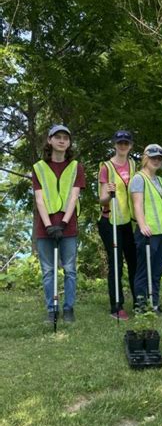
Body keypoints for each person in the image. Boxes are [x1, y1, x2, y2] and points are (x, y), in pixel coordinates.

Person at [33, 124, 85, 323]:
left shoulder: (76, 167)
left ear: (69, 142)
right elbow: (39, 199)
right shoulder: (38, 167)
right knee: (48, 272)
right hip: (45, 227)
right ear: (50, 140)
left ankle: (68, 308)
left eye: (66, 137)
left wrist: (62, 224)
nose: (62, 140)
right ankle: (51, 309)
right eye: (58, 137)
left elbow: (73, 197)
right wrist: (48, 226)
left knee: (70, 269)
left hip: (67, 227)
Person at [98, 130, 137, 321]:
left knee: (134, 262)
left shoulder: (132, 164)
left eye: (126, 143)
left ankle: (139, 300)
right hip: (110, 221)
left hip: (128, 222)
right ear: (115, 144)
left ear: (130, 145)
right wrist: (109, 192)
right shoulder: (106, 167)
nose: (123, 146)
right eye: (120, 143)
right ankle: (117, 305)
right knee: (116, 263)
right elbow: (102, 199)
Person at [130, 144, 162, 312]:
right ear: (146, 158)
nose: (156, 160)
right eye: (153, 157)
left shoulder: (160, 180)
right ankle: (140, 304)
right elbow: (137, 204)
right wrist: (142, 225)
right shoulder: (139, 178)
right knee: (143, 270)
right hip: (148, 232)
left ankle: (154, 302)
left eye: (159, 158)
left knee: (156, 271)